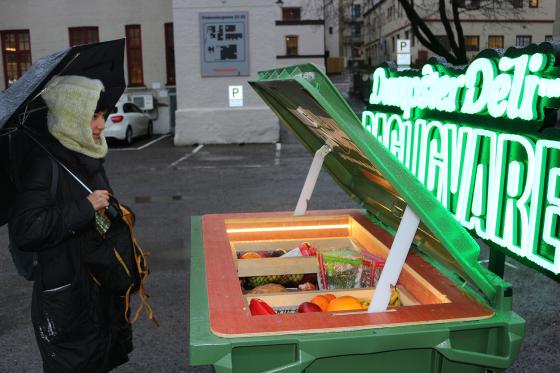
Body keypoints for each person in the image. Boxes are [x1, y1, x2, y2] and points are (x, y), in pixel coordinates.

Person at [9, 75, 132, 372]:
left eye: (102, 115)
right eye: (93, 115)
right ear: (70, 116)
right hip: (66, 295)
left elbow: (101, 219)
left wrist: (114, 213)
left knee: (100, 360)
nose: (101, 125)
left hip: (98, 286)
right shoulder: (42, 164)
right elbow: (27, 230)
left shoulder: (87, 158)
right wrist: (85, 207)